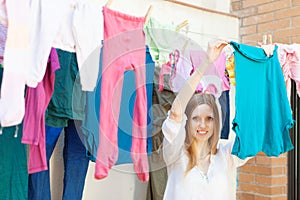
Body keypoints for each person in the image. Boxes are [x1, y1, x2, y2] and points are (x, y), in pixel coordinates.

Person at [162, 40, 249, 200]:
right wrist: (207, 62)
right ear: (187, 121)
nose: (203, 125)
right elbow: (175, 113)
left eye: (209, 119)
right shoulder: (175, 154)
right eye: (196, 118)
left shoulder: (226, 155)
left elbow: (255, 131)